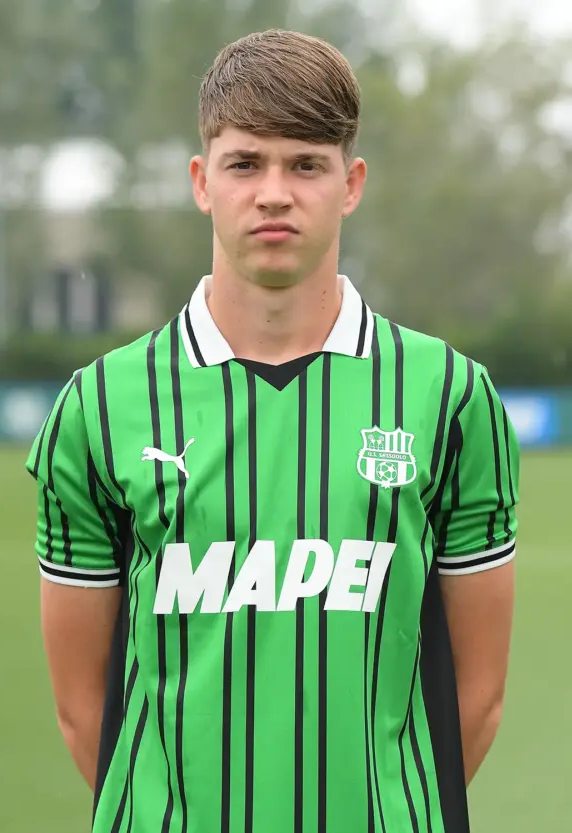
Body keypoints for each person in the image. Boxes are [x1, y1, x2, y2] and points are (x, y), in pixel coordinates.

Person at [26, 29, 519, 833]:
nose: (274, 193)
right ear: (202, 181)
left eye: (306, 165)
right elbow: (86, 715)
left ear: (351, 183)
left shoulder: (450, 397)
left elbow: (479, 697)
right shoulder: (101, 405)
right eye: (246, 163)